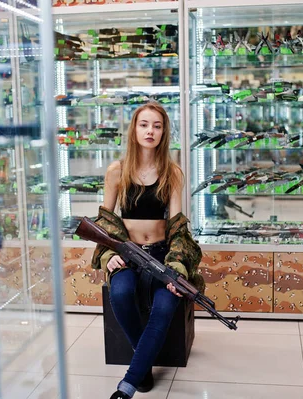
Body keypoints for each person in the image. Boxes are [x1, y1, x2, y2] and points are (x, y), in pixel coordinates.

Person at [89, 102, 204, 399]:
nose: (150, 131)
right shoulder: (117, 171)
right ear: (134, 129)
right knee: (121, 293)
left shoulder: (172, 172)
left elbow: (178, 227)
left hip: (162, 254)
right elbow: (106, 222)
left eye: (157, 125)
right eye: (144, 124)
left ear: (164, 131)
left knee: (166, 305)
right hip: (126, 252)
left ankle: (132, 377)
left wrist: (177, 266)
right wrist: (107, 254)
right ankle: (143, 367)